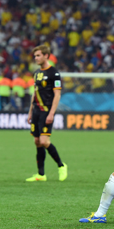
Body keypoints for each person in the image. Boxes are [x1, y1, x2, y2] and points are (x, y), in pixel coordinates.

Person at [26, 45, 67, 182]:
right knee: (37, 141)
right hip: (36, 111)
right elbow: (35, 92)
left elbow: (57, 95)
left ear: (46, 56)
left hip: (46, 111)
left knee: (44, 141)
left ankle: (61, 165)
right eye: (35, 56)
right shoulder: (37, 73)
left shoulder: (54, 73)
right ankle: (41, 175)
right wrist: (30, 112)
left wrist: (51, 114)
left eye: (38, 55)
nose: (36, 58)